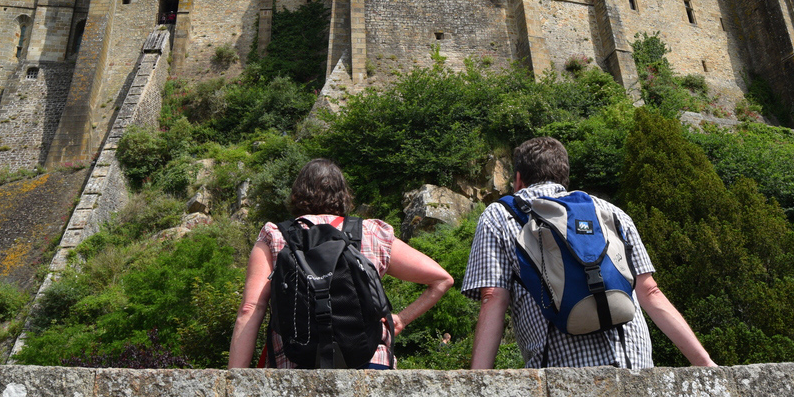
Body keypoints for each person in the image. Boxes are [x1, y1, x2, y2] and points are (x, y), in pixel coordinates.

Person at [462, 137, 715, 369]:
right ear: (564, 177)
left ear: (518, 179)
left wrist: (477, 382)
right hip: (633, 365)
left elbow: (493, 296)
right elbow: (650, 291)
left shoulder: (500, 216)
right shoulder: (610, 212)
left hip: (560, 369)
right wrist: (706, 364)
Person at [228, 158, 455, 370]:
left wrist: (234, 380)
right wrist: (401, 319)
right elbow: (441, 279)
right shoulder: (372, 233)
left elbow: (250, 308)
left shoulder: (276, 236)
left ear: (297, 194)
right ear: (344, 194)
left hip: (294, 365)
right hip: (370, 363)